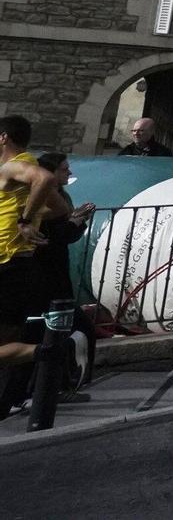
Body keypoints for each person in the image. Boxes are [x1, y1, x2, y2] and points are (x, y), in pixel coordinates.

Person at [0, 117, 62, 377]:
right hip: (20, 263)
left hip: (5, 261)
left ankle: (53, 350)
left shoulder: (13, 166)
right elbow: (61, 209)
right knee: (6, 342)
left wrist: (25, 221)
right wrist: (29, 217)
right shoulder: (27, 163)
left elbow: (46, 179)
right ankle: (49, 352)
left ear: (4, 137)